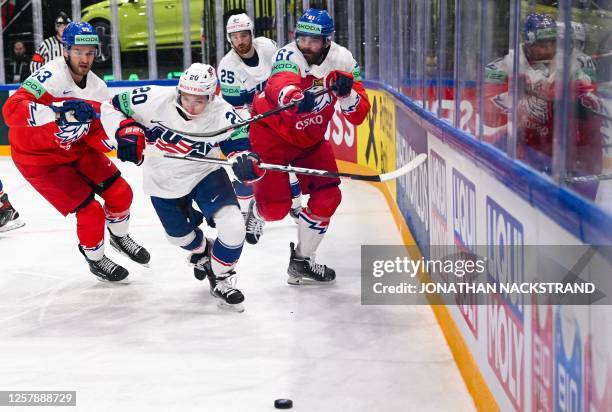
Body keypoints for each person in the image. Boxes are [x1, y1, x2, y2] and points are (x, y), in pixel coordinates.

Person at [2, 21, 150, 282]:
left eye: (90, 52)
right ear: (66, 50)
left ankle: (119, 236)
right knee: (90, 211)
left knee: (121, 192)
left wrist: (120, 142)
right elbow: (11, 110)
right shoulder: (51, 75)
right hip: (38, 159)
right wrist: (57, 110)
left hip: (75, 148)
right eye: (79, 51)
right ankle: (95, 259)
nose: (85, 58)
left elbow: (97, 131)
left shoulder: (98, 88)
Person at [100, 63, 251, 311]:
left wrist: (245, 159)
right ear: (179, 91)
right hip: (162, 181)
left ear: (212, 97)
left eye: (199, 100)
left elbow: (239, 143)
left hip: (205, 174)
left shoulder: (223, 113)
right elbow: (112, 105)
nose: (191, 106)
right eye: (187, 97)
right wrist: (123, 129)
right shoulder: (152, 99)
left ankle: (223, 278)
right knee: (181, 239)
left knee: (234, 226)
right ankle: (203, 251)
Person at [242, 8, 370, 284]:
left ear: (327, 41)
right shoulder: (289, 54)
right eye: (302, 38)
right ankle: (257, 210)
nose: (306, 45)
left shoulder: (344, 59)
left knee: (329, 197)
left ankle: (301, 261)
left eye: (313, 41)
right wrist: (293, 95)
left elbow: (358, 115)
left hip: (310, 142)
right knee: (275, 210)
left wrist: (346, 93)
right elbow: (280, 83)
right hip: (271, 136)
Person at [483, 13, 602, 200]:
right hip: (524, 151)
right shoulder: (507, 65)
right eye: (542, 44)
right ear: (528, 43)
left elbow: (589, 95)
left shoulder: (569, 65)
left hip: (555, 151)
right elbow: (490, 110)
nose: (549, 49)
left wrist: (569, 94)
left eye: (553, 43)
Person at [218, 12, 303, 240]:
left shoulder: (267, 47)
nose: (239, 41)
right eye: (234, 37)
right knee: (249, 170)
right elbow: (234, 110)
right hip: (247, 122)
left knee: (291, 163)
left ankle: (296, 206)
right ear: (229, 39)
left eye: (243, 35)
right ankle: (247, 213)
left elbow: (283, 75)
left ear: (252, 34)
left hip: (277, 114)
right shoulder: (228, 67)